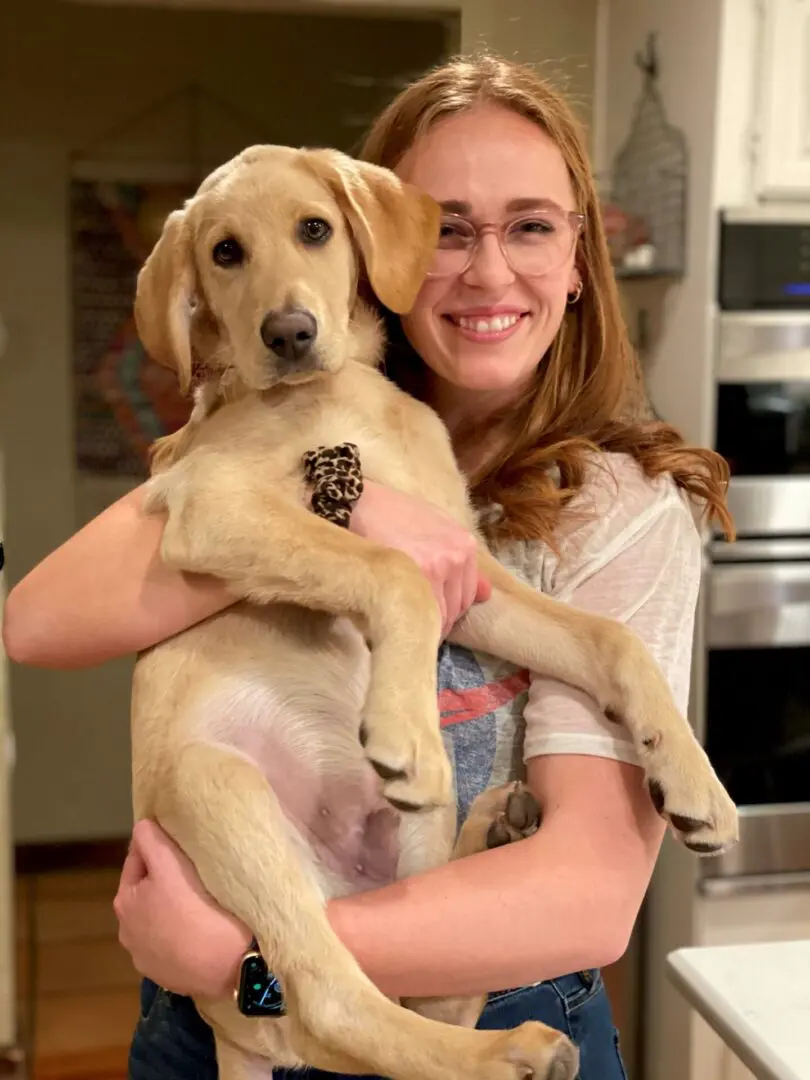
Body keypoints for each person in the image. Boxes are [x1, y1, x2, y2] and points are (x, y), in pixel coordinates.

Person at [2, 53, 732, 1080]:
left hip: (415, 976)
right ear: (394, 239)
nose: (486, 270)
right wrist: (344, 496)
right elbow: (35, 620)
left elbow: (590, 895)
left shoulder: (624, 505)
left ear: (579, 260)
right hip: (252, 947)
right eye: (449, 227)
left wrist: (248, 959)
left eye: (531, 225)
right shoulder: (284, 424)